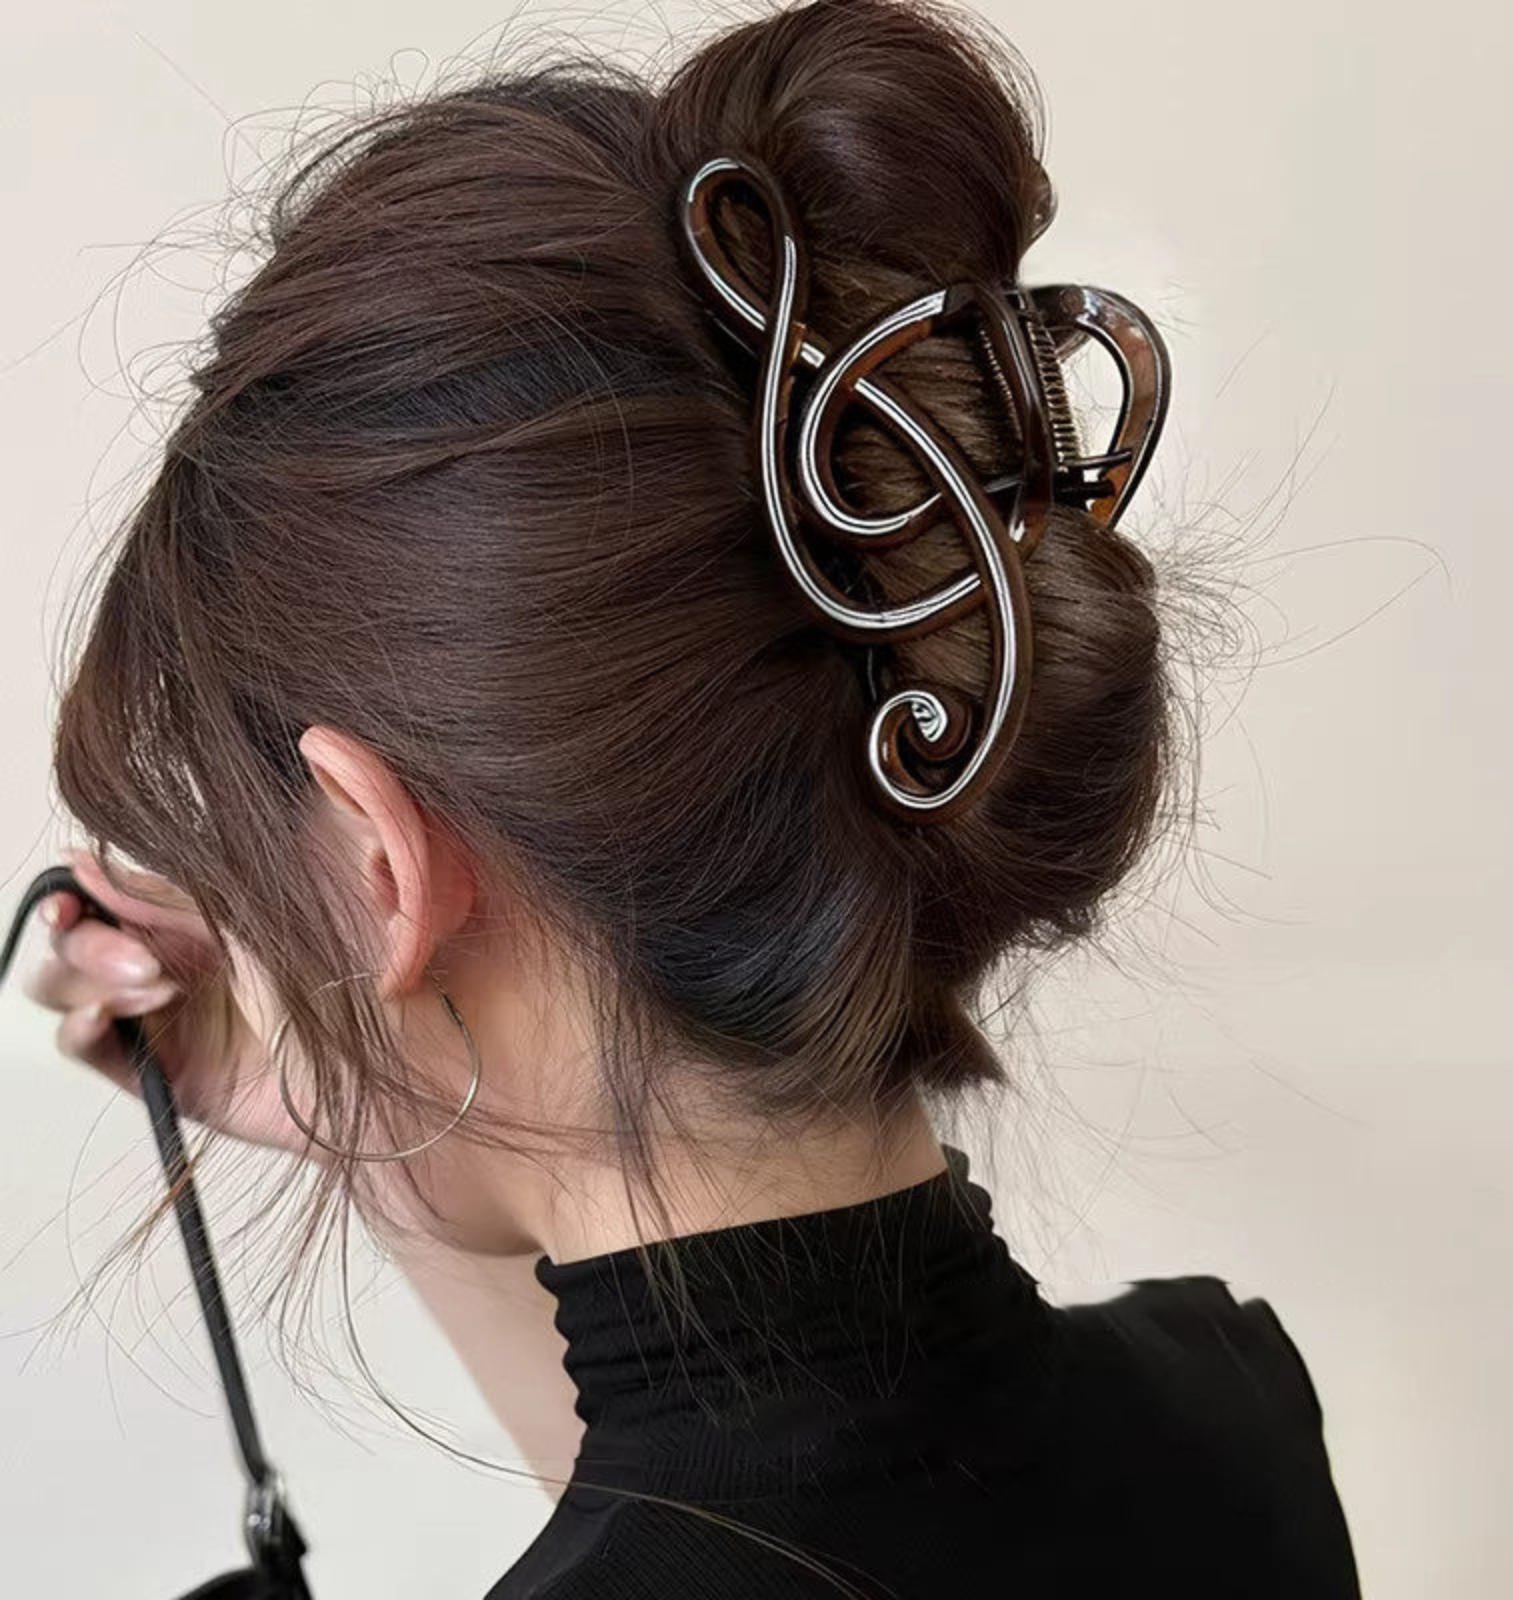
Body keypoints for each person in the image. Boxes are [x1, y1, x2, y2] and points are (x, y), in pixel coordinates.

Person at [21, 1, 1362, 1593]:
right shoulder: (1233, 1410)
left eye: (247, 856)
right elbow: (713, 1518)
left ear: (382, 868)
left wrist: (371, 1062)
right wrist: (368, 1091)